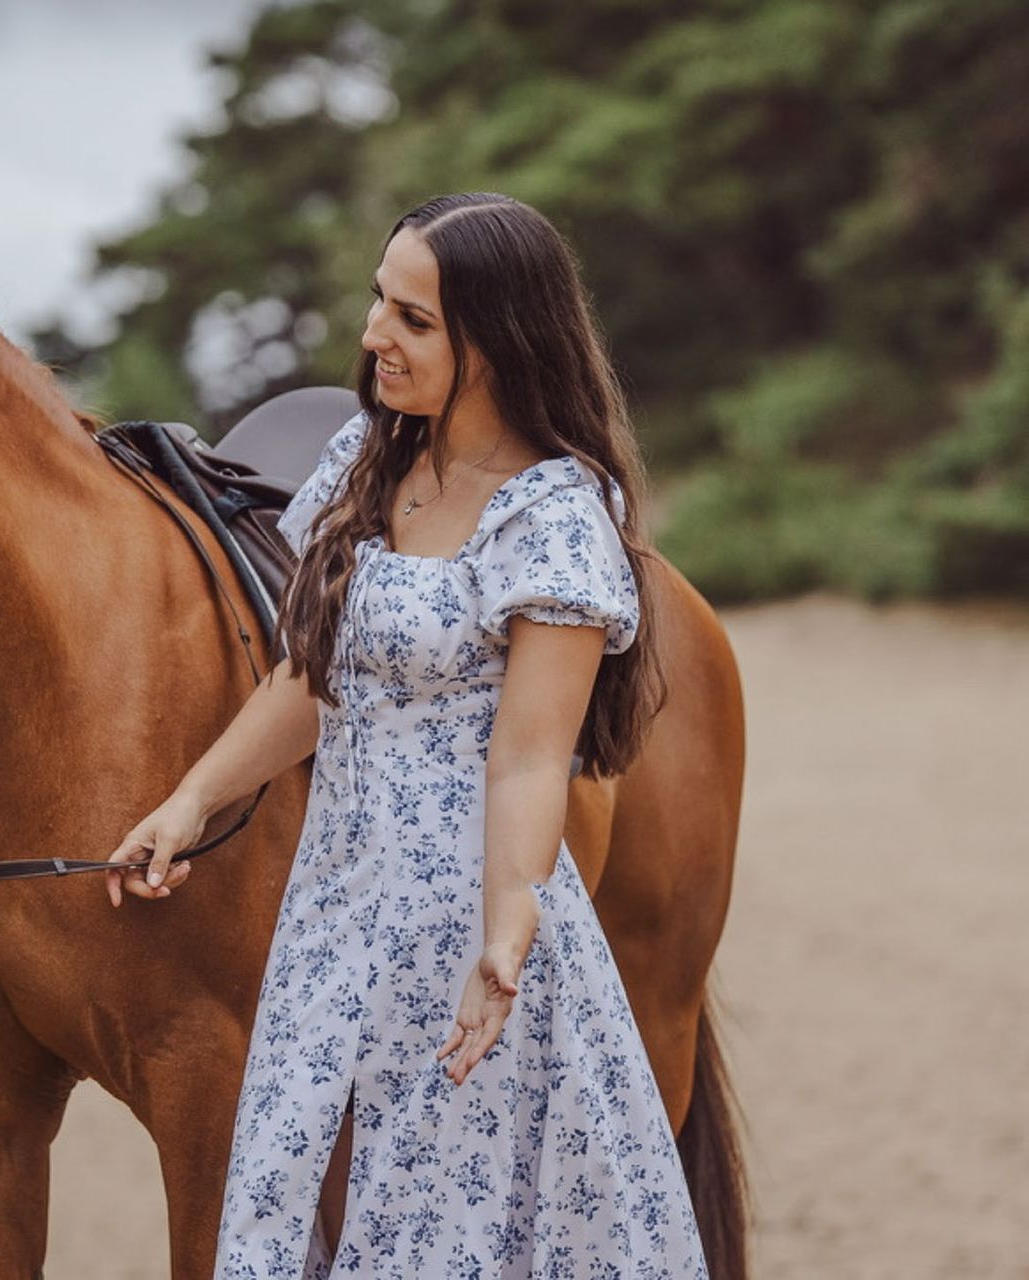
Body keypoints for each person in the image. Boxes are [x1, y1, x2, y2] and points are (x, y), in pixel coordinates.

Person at [104, 192, 710, 1278]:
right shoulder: (367, 460)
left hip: (463, 924)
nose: (375, 333)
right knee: (291, 1195)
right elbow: (312, 679)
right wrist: (190, 801)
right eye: (380, 301)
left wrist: (506, 935)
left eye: (415, 319)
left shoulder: (551, 516)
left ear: (501, 338)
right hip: (334, 912)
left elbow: (531, 755)